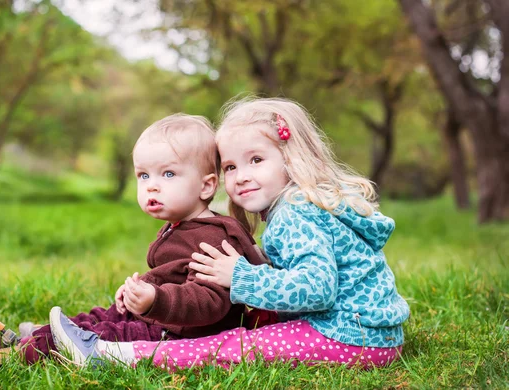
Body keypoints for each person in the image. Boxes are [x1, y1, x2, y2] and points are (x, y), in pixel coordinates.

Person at [50, 97, 411, 370]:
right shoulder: (300, 208)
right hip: (372, 334)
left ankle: (111, 354)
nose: (241, 176)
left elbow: (317, 289)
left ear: (291, 158)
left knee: (233, 346)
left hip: (349, 336)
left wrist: (241, 278)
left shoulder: (296, 215)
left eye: (256, 160)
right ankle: (64, 333)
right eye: (231, 166)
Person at [0, 114, 270, 366]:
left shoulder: (213, 238)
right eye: (143, 176)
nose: (152, 187)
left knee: (110, 333)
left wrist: (156, 299)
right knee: (107, 314)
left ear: (206, 186)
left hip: (179, 336)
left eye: (167, 174)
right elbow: (173, 276)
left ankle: (10, 353)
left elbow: (210, 302)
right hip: (163, 318)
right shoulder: (182, 225)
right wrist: (141, 293)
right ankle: (30, 336)